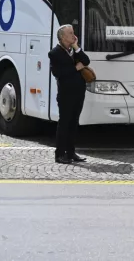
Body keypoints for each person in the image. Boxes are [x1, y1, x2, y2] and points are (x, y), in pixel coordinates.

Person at [49, 24, 90, 164]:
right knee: (64, 123)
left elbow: (86, 61)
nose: (74, 35)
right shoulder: (54, 53)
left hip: (78, 92)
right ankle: (60, 154)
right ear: (62, 37)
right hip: (66, 94)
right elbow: (58, 73)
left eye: (73, 32)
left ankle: (71, 153)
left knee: (74, 123)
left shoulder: (74, 50)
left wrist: (77, 47)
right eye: (70, 33)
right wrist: (75, 68)